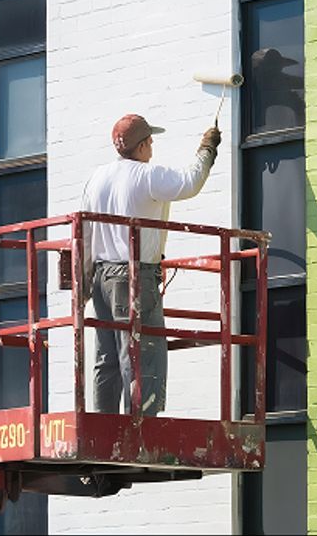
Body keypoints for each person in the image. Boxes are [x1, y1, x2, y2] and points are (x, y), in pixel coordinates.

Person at [81, 113, 221, 416]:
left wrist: (84, 282)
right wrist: (207, 149)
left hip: (101, 277)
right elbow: (190, 182)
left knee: (108, 357)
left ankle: (104, 426)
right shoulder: (146, 175)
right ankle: (142, 427)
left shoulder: (98, 178)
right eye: (150, 139)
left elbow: (86, 231)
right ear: (142, 145)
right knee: (143, 354)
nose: (153, 144)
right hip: (132, 277)